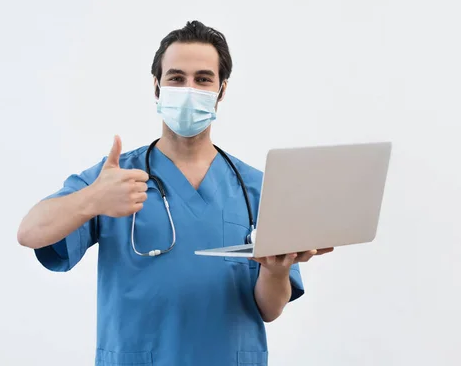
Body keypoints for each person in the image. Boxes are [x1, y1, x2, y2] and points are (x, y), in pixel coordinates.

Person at [17, 20, 333, 366]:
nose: (188, 89)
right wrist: (91, 200)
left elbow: (270, 310)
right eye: (176, 78)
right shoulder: (117, 178)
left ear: (221, 90)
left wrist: (276, 270)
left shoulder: (255, 187)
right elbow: (30, 232)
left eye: (202, 79)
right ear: (157, 87)